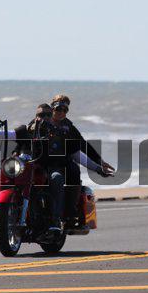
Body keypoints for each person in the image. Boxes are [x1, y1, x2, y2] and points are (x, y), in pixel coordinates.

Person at [0, 104, 108, 236]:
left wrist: (97, 168)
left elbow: (76, 154)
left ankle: (55, 220)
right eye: (41, 115)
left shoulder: (59, 133)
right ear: (36, 116)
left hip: (49, 169)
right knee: (8, 173)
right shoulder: (26, 130)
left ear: (51, 116)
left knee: (57, 178)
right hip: (26, 169)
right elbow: (7, 134)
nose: (44, 118)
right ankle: (2, 213)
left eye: (48, 115)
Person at [48, 94, 115, 228]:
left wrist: (99, 162)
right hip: (40, 163)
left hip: (59, 164)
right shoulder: (40, 122)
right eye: (59, 108)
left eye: (65, 110)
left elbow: (83, 145)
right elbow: (22, 135)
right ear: (52, 108)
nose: (61, 112)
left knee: (72, 170)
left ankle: (69, 214)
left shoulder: (68, 127)